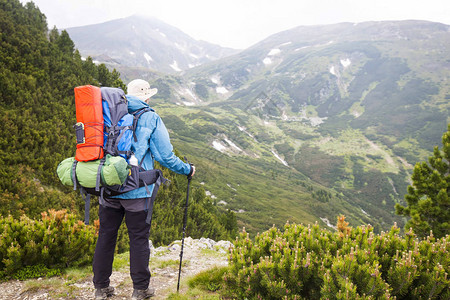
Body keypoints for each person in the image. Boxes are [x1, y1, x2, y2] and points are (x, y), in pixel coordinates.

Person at [93, 79, 195, 300]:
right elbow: (164, 156)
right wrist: (187, 169)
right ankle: (140, 290)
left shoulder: (107, 112)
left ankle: (101, 288)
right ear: (147, 97)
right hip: (137, 191)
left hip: (108, 187)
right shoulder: (150, 116)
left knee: (106, 236)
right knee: (138, 238)